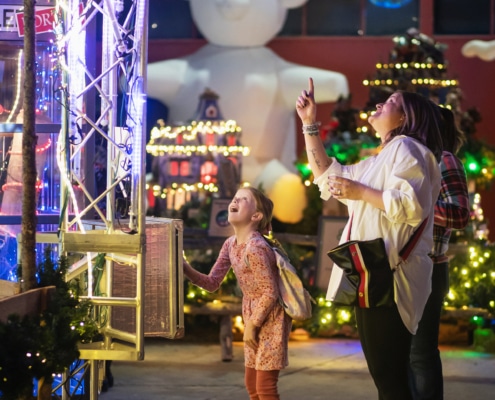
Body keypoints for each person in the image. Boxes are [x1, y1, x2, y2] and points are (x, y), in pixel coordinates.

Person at [296, 77, 442, 400]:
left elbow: (410, 206)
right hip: (373, 276)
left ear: (405, 118)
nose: (378, 104)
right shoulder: (380, 160)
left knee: (390, 381)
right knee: (389, 379)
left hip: (390, 281)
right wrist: (309, 125)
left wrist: (359, 191)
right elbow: (327, 177)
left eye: (390, 102)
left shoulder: (408, 149)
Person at [183, 187, 292, 400]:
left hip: (271, 318)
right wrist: (185, 268)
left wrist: (251, 325)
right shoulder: (230, 244)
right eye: (235, 198)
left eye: (243, 199)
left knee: (265, 387)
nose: (235, 201)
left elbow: (270, 292)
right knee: (251, 384)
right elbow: (212, 282)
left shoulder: (256, 247)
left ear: (256, 216)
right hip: (253, 315)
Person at [409, 106, 470, 400]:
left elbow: (460, 215)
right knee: (402, 355)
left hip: (431, 266)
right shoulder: (409, 161)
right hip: (402, 267)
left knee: (420, 355)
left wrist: (414, 204)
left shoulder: (444, 160)